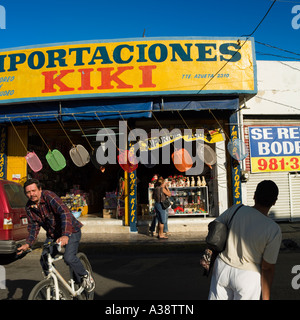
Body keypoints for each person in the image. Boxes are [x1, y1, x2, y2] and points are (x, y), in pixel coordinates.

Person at [208, 180, 282, 300]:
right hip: (248, 276)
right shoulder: (273, 229)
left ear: (254, 196)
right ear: (274, 201)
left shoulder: (236, 209)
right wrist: (266, 297)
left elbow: (215, 226)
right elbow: (267, 267)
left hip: (222, 268)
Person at [17, 179, 95, 292]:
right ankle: (53, 285)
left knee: (69, 258)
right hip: (53, 235)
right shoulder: (29, 207)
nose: (31, 194)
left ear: (40, 189)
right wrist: (28, 244)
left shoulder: (49, 196)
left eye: (33, 190)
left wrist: (65, 235)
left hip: (71, 230)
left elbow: (65, 213)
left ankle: (85, 276)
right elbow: (34, 227)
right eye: (28, 192)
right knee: (44, 259)